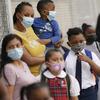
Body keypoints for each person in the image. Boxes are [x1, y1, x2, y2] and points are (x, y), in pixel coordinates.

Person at [65, 27, 100, 100]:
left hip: (89, 92)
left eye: (81, 41)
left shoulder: (91, 54)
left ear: (85, 40)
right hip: (71, 93)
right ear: (69, 44)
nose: (78, 44)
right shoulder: (64, 57)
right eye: (75, 42)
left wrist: (89, 61)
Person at [1, 34, 38, 100]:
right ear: (6, 50)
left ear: (22, 46)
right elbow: (8, 96)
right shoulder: (9, 68)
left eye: (17, 45)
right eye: (10, 47)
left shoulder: (24, 64)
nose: (15, 49)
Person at [13, 2, 46, 76]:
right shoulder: (14, 35)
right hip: (30, 76)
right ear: (18, 15)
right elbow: (29, 61)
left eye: (32, 16)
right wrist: (49, 58)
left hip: (42, 72)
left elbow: (38, 42)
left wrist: (54, 39)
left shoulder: (28, 28)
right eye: (26, 15)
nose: (30, 18)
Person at [82, 23, 100, 100]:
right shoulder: (82, 46)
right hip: (89, 75)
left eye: (94, 32)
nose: (92, 34)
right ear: (84, 34)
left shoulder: (98, 45)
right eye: (89, 33)